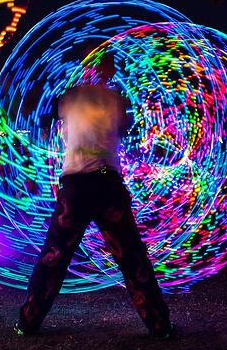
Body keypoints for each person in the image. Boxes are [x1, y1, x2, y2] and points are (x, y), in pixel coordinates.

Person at [16, 57, 173, 338]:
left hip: (77, 186)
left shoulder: (70, 96)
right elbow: (127, 128)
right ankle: (159, 324)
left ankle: (28, 322)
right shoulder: (115, 98)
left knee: (54, 256)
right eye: (108, 65)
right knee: (132, 257)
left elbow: (39, 112)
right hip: (105, 184)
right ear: (107, 70)